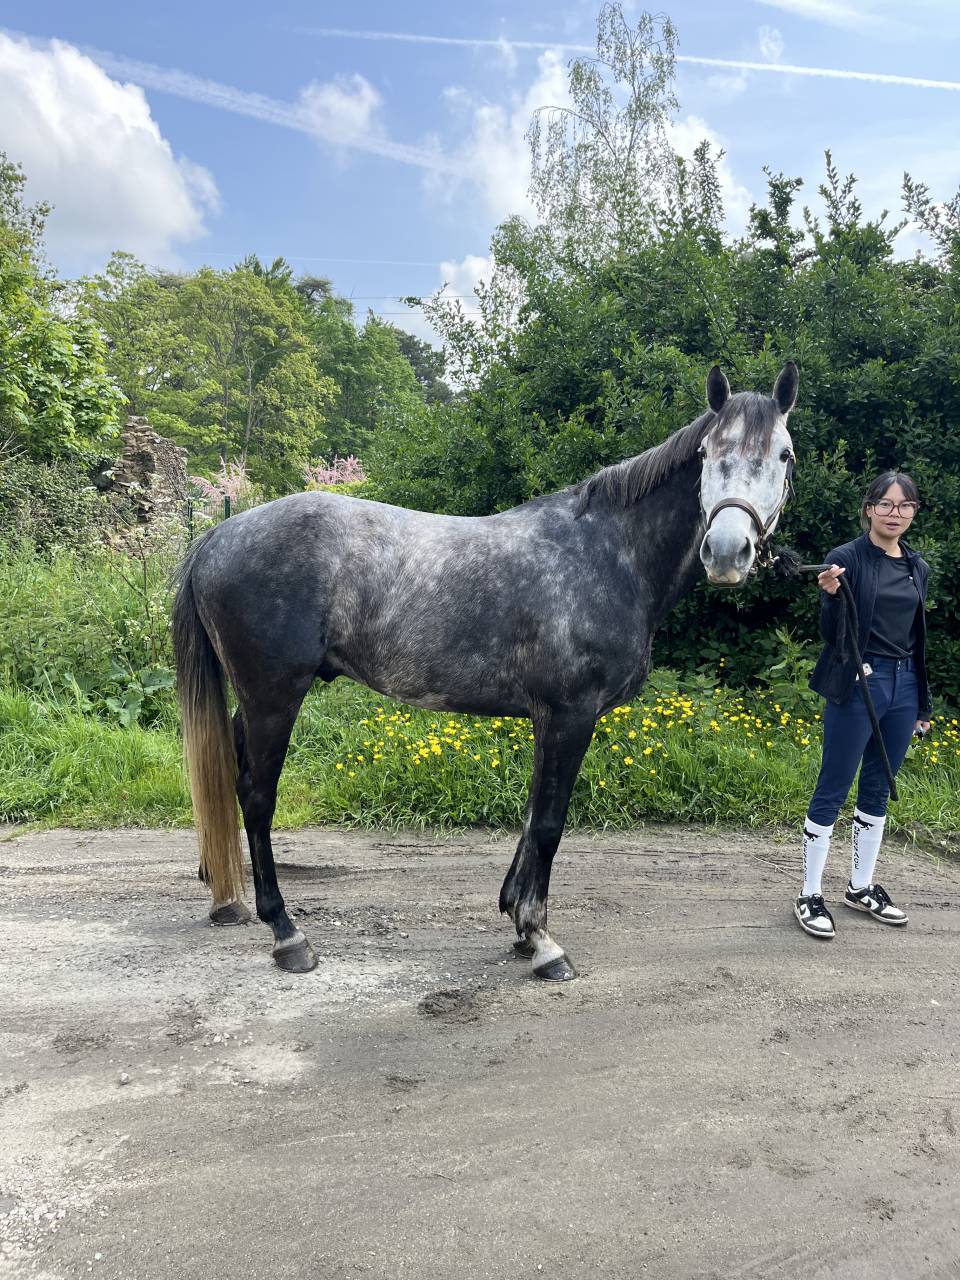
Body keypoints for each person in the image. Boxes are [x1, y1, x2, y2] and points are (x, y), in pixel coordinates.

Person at [793, 472, 933, 939]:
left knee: (879, 787)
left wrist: (922, 704)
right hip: (859, 681)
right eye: (887, 504)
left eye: (905, 506)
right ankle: (809, 893)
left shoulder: (918, 567)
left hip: (905, 683)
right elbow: (832, 637)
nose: (896, 513)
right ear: (870, 508)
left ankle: (860, 886)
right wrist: (831, 599)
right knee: (833, 785)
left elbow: (919, 640)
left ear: (913, 512)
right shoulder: (845, 559)